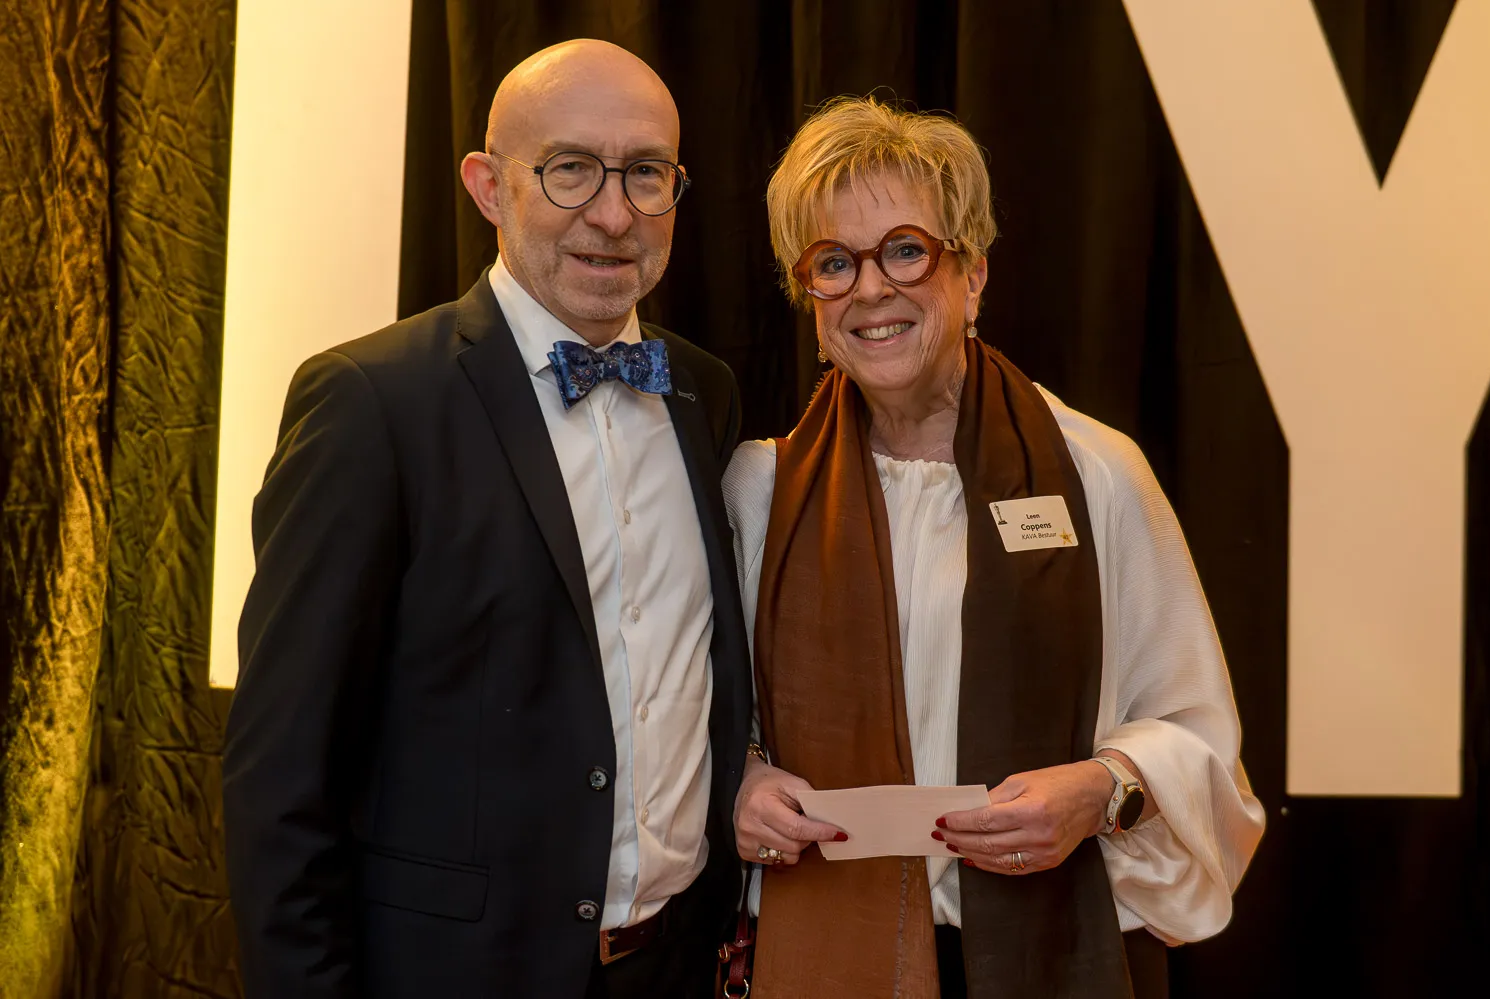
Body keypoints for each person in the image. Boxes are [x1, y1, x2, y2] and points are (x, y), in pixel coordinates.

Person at [223, 40, 751, 999]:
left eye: (645, 174)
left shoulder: (702, 394)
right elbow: (281, 774)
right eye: (570, 169)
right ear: (488, 186)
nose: (612, 214)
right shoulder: (371, 403)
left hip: (671, 969)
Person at [725, 97, 1265, 999]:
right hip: (824, 952)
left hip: (1052, 951)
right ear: (807, 294)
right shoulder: (760, 489)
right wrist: (740, 786)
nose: (870, 289)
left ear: (972, 274)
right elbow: (700, 726)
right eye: (834, 262)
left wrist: (1104, 790)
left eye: (905, 250)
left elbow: (1196, 734)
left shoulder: (1096, 473)